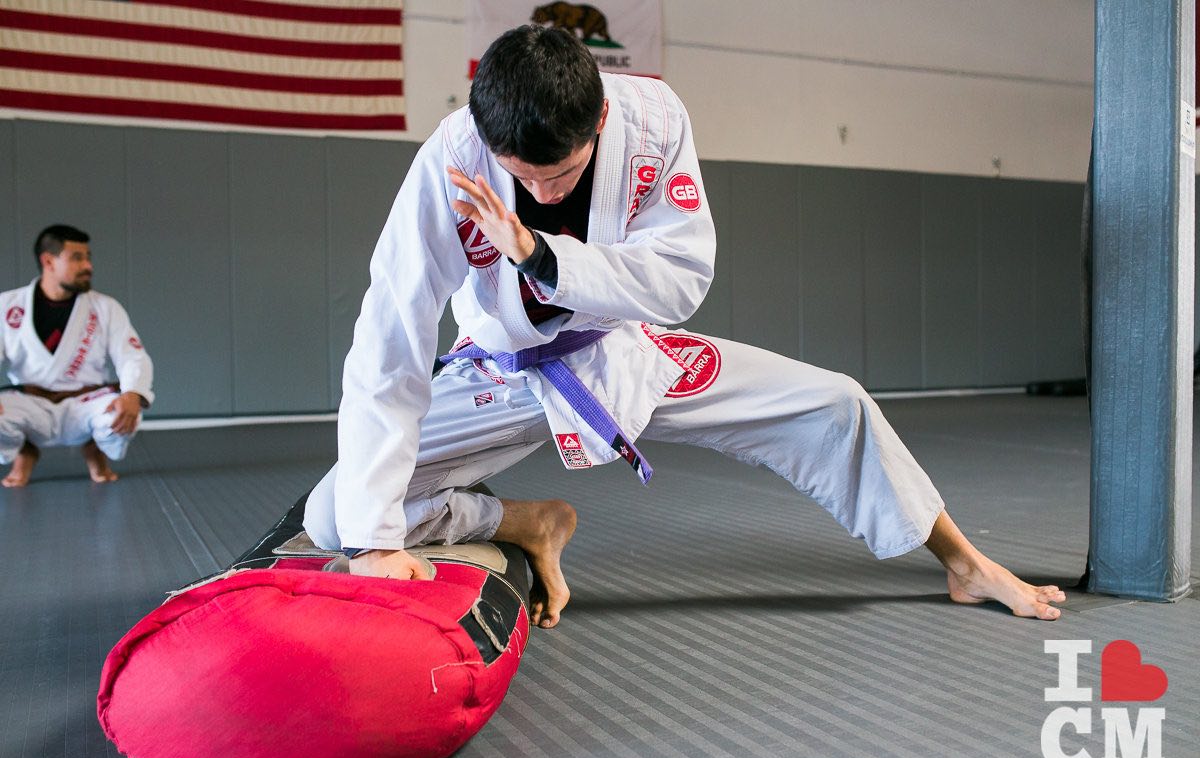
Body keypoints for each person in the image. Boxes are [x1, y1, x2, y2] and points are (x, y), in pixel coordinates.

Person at [305, 25, 1066, 628]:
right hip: (504, 370)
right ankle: (524, 521)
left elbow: (680, 278)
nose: (538, 189)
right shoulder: (453, 157)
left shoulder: (653, 121)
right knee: (338, 513)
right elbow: (390, 326)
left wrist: (538, 253)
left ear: (599, 118)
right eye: (522, 176)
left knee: (833, 401)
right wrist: (374, 545)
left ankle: (965, 562)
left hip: (621, 350)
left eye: (558, 175)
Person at [0, 225, 154, 486]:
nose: (88, 266)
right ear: (48, 261)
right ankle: (25, 451)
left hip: (87, 404)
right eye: (77, 258)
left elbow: (132, 355)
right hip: (30, 404)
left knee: (125, 411)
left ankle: (94, 447)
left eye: (88, 257)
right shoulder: (7, 306)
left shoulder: (105, 307)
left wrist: (132, 393)